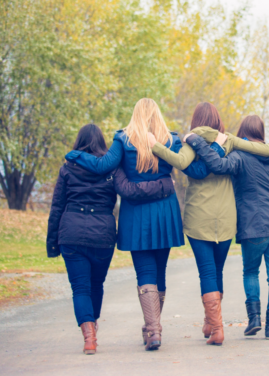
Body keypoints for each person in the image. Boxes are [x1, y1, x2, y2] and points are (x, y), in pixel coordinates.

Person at [64, 99, 195, 351]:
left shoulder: (123, 140)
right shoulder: (171, 140)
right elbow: (181, 164)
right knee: (160, 271)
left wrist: (75, 154)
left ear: (135, 115)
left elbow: (102, 165)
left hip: (136, 214)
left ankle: (153, 330)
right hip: (165, 211)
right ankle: (153, 329)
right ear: (157, 115)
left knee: (145, 272)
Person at [148, 102, 269, 346]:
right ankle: (211, 322)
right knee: (217, 270)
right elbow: (268, 150)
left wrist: (152, 144)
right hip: (227, 217)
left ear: (196, 120)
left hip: (199, 217)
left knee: (206, 271)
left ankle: (216, 328)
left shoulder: (190, 141)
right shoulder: (229, 141)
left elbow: (179, 162)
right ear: (218, 120)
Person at [47, 123, 175, 355]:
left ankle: (90, 338)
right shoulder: (112, 169)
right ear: (102, 144)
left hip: (71, 232)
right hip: (102, 235)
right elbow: (131, 191)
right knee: (95, 284)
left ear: (78, 142)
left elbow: (57, 207)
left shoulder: (68, 168)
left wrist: (53, 242)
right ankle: (95, 330)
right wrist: (163, 184)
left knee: (80, 288)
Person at [184, 115, 269, 340]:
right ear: (261, 134)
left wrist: (196, 141)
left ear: (242, 134)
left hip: (254, 226)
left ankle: (254, 319)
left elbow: (215, 164)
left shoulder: (239, 156)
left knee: (251, 271)